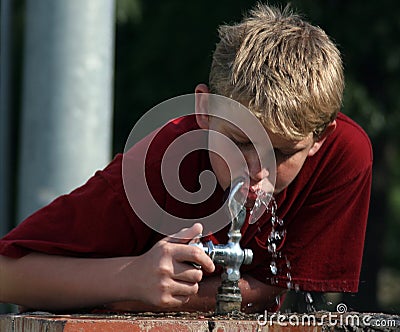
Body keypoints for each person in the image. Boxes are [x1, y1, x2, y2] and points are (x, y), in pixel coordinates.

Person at [0, 3, 372, 314]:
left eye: (282, 153)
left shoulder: (344, 155)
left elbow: (284, 290)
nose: (258, 171)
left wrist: (144, 300)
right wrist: (132, 277)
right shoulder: (158, 164)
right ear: (204, 111)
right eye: (240, 142)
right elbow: (8, 274)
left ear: (319, 138)